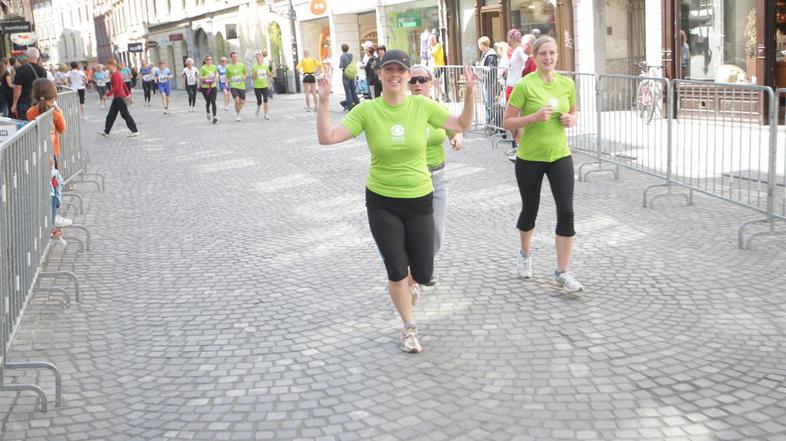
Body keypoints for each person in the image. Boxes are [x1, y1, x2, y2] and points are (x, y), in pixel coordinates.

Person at [316, 49, 476, 353]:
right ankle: (408, 328)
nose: (394, 75)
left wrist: (469, 93)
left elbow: (461, 124)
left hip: (419, 198)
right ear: (379, 74)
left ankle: (411, 283)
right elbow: (328, 137)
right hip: (382, 201)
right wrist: (323, 101)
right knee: (396, 268)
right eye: (388, 70)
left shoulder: (422, 105)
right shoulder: (368, 110)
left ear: (406, 75)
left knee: (424, 271)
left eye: (400, 70)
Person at [502, 36, 582, 293]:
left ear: (557, 55)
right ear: (534, 57)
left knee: (567, 212)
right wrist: (533, 117)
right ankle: (525, 254)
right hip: (529, 159)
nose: (548, 58)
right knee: (530, 210)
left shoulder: (567, 83)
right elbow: (507, 122)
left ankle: (562, 271)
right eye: (543, 54)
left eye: (552, 53)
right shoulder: (525, 85)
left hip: (560, 155)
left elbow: (574, 111)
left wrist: (572, 119)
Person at [408, 64, 464, 284]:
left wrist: (457, 137)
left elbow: (456, 128)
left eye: (422, 80)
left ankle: (423, 266)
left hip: (438, 176)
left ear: (431, 83)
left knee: (436, 229)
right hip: (413, 178)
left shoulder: (436, 109)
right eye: (413, 81)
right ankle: (414, 272)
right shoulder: (404, 110)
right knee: (413, 228)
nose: (418, 84)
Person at [26, 78, 71, 231]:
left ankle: (46, 216)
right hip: (52, 154)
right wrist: (60, 111)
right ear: (54, 95)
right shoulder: (55, 113)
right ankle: (53, 216)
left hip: (39, 154)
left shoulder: (30, 112)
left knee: (45, 186)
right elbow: (63, 129)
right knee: (54, 187)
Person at [99, 58, 139, 137]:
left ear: (111, 65)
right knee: (111, 115)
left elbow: (116, 87)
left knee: (124, 114)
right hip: (119, 97)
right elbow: (123, 84)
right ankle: (106, 131)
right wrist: (128, 94)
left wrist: (106, 95)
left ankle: (135, 130)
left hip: (119, 97)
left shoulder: (115, 75)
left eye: (108, 65)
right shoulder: (118, 74)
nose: (107, 67)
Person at [11, 47, 48, 121]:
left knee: (26, 126)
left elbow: (18, 88)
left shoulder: (21, 69)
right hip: (38, 102)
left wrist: (14, 104)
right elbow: (44, 87)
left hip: (24, 102)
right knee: (39, 123)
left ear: (27, 56)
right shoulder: (43, 70)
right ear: (37, 57)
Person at [476, 36, 499, 128]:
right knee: (486, 102)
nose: (479, 47)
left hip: (488, 81)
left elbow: (491, 68)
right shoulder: (485, 54)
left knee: (488, 102)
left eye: (479, 45)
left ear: (483, 45)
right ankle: (488, 121)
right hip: (484, 80)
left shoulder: (491, 55)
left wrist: (480, 67)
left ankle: (492, 122)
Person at [226, 51, 247, 122]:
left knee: (242, 102)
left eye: (235, 56)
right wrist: (226, 83)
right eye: (233, 57)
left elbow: (246, 73)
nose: (234, 58)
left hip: (241, 86)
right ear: (231, 58)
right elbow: (227, 76)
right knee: (237, 101)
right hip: (233, 86)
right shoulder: (228, 67)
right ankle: (238, 115)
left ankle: (239, 107)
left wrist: (244, 77)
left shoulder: (241, 65)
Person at [338, 44, 359, 111]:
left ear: (342, 49)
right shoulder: (351, 55)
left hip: (346, 75)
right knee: (353, 90)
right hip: (352, 74)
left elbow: (340, 65)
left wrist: (341, 65)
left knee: (348, 91)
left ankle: (350, 106)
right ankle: (357, 104)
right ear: (348, 48)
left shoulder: (342, 56)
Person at [252, 52, 273, 119]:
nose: (258, 58)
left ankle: (266, 114)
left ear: (261, 58)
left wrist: (271, 73)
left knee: (265, 100)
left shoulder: (265, 66)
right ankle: (258, 107)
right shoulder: (254, 67)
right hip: (257, 86)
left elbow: (268, 75)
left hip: (264, 85)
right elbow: (253, 78)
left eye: (259, 57)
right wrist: (255, 74)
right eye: (256, 57)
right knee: (259, 101)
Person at [199, 55, 219, 124]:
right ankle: (208, 112)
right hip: (205, 88)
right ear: (205, 60)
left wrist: (216, 77)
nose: (209, 61)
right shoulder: (203, 68)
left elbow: (216, 73)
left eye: (210, 59)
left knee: (213, 101)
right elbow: (200, 77)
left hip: (213, 86)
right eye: (207, 59)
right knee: (208, 102)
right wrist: (206, 77)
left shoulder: (214, 66)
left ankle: (215, 116)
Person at [428, 34, 446, 101]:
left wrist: (430, 46)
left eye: (433, 39)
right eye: (431, 39)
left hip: (439, 66)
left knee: (435, 81)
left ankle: (437, 97)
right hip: (436, 67)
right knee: (436, 82)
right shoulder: (435, 46)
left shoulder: (438, 45)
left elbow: (433, 54)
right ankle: (441, 94)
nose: (432, 40)